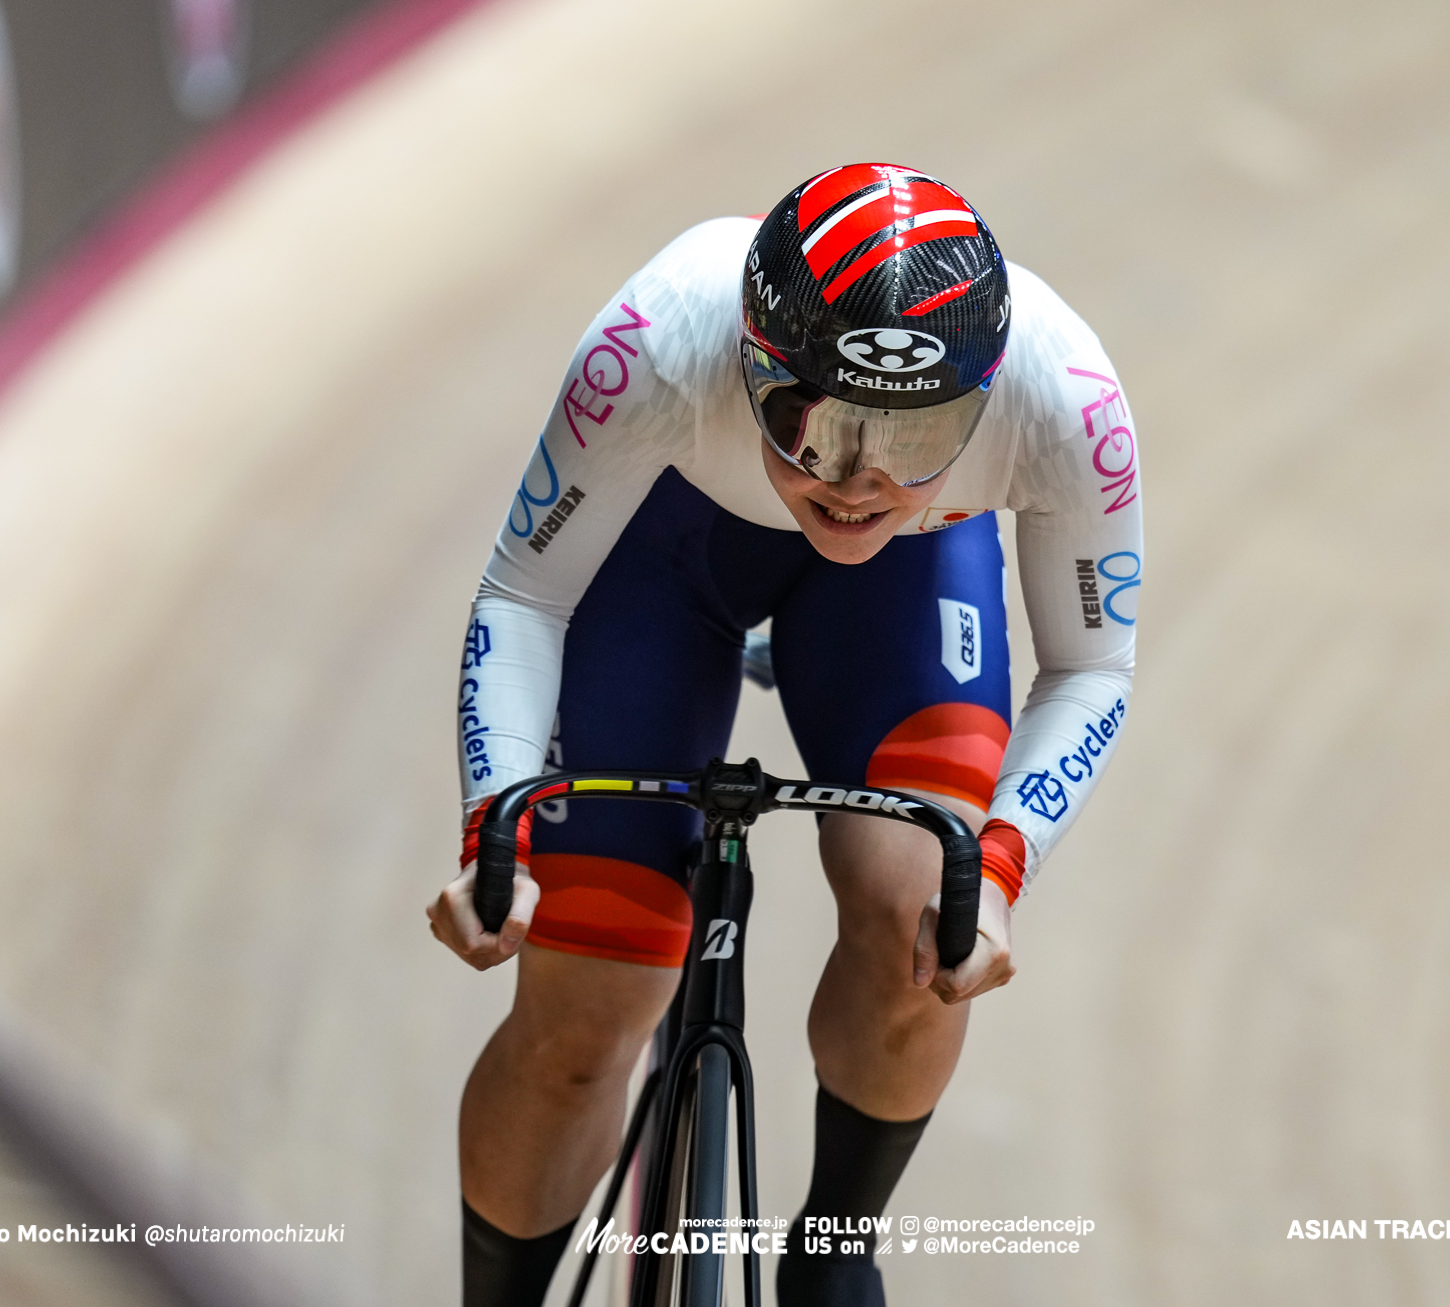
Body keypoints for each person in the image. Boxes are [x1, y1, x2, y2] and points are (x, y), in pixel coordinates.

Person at [426, 163, 1141, 1307]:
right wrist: (491, 823)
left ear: (987, 394)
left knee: (927, 909)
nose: (860, 482)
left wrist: (997, 870)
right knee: (587, 1008)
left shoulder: (1066, 401)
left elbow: (1093, 662)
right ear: (750, 365)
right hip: (660, 556)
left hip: (897, 587)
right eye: (818, 425)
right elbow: (524, 597)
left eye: (921, 437)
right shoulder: (657, 342)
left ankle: (831, 1246)